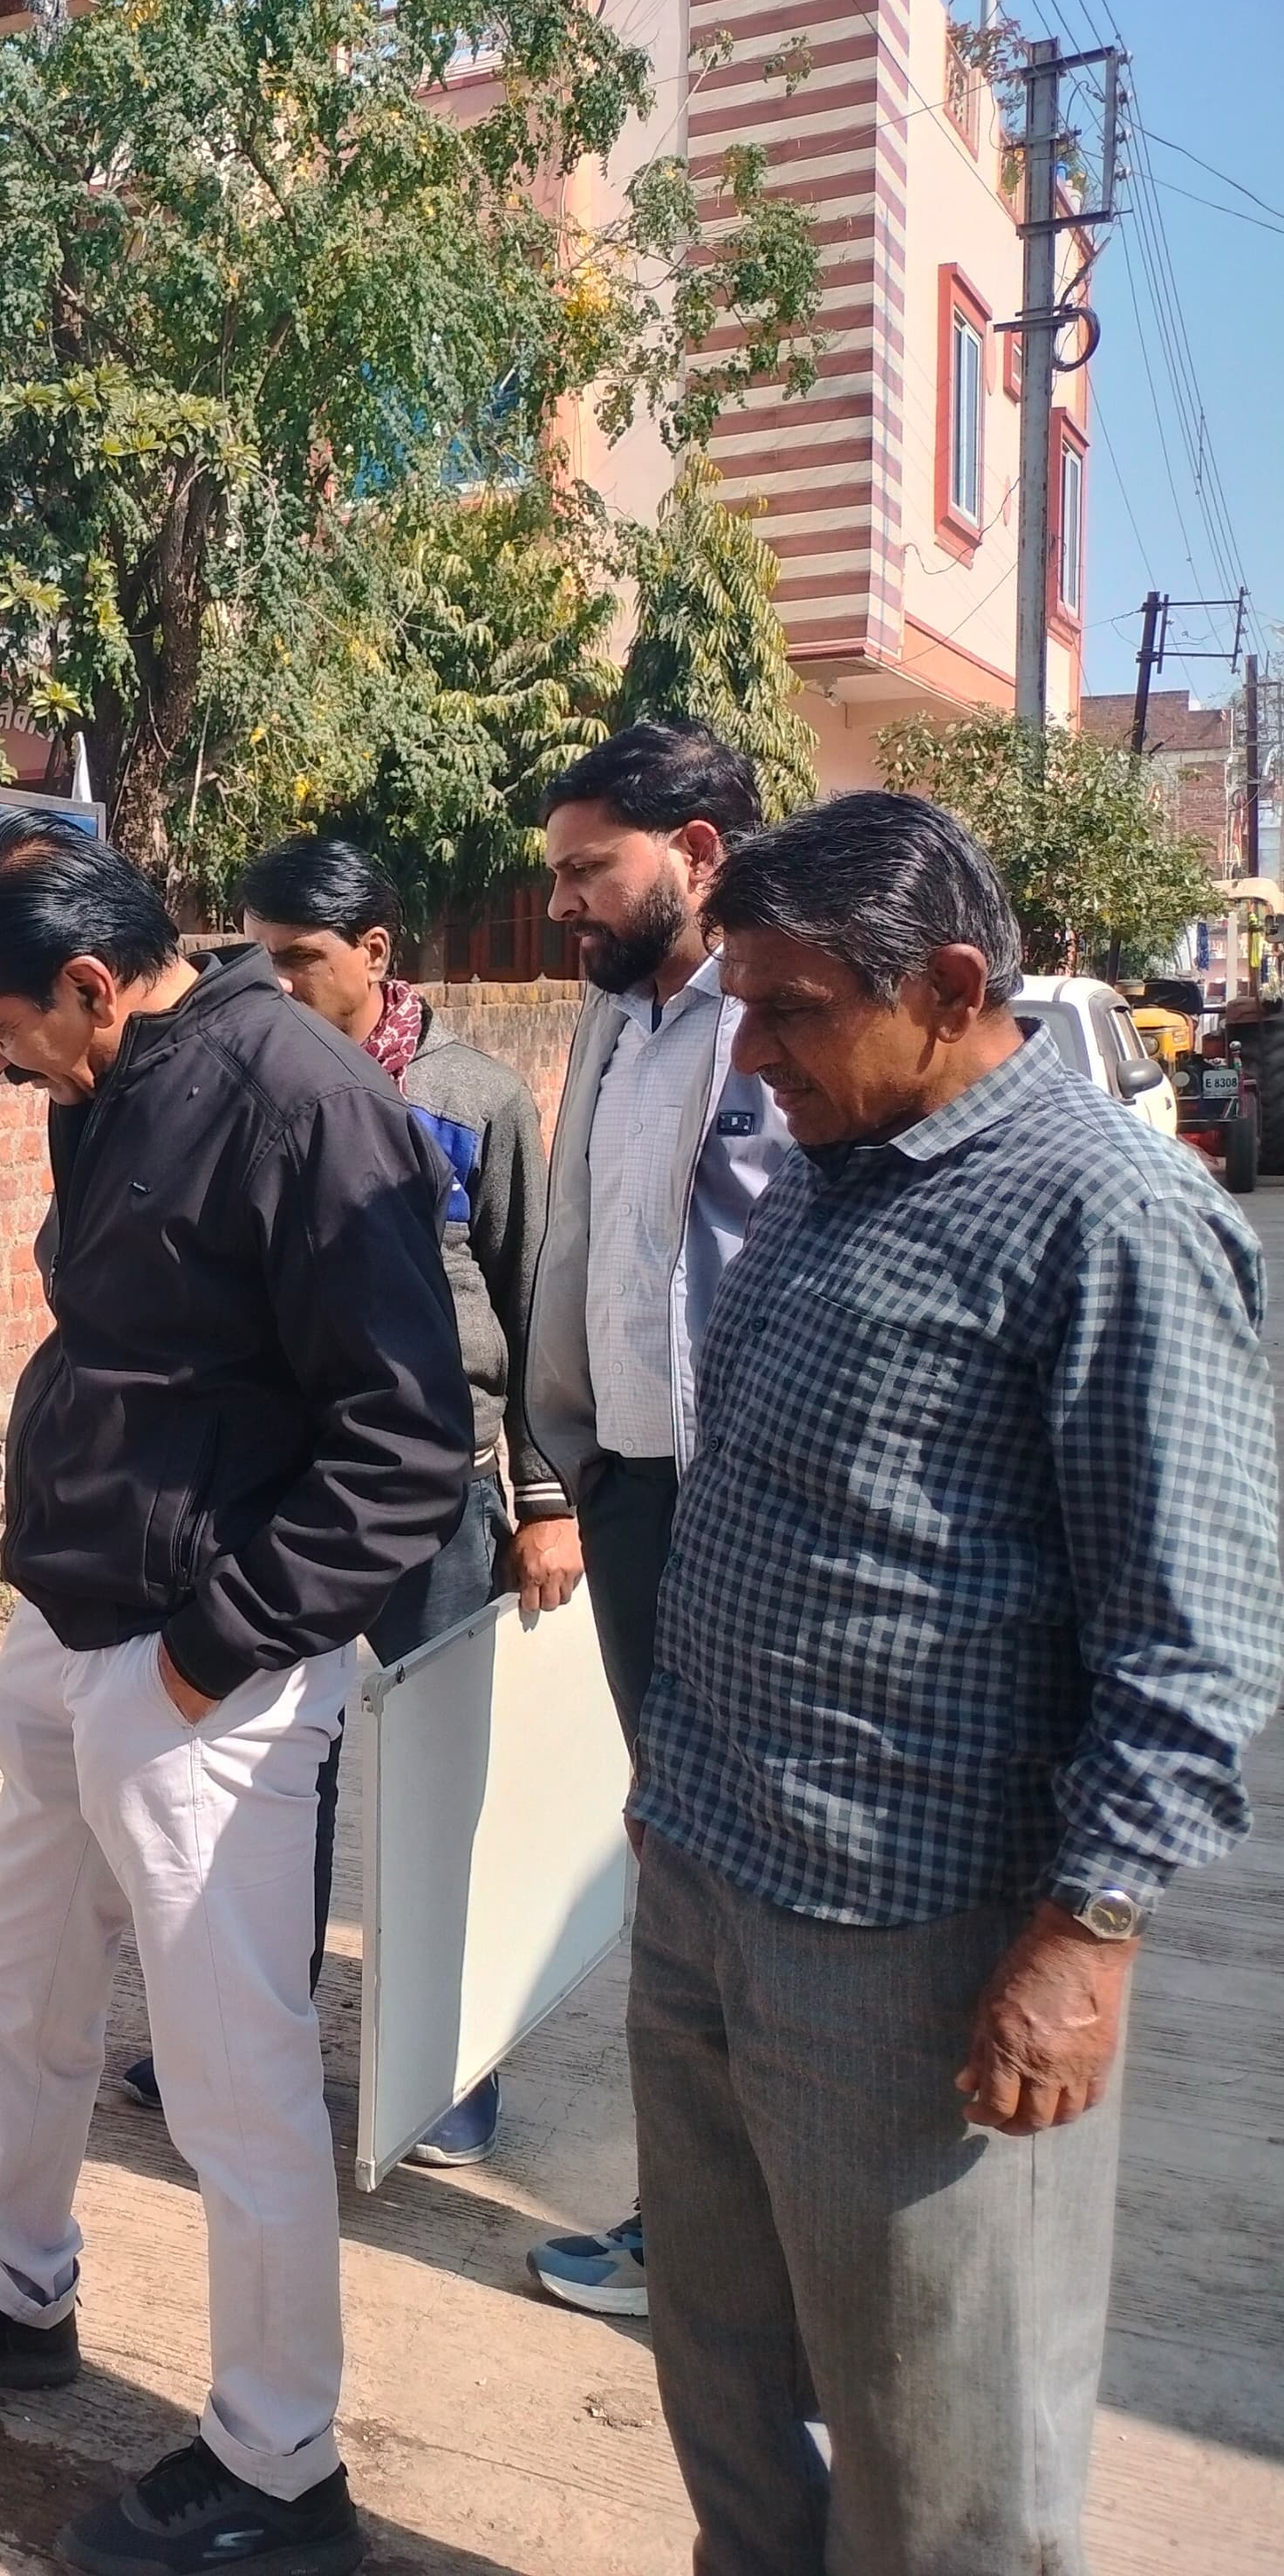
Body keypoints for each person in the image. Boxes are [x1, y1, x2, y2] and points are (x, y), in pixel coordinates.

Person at [633, 794, 1281, 2572]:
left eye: (789, 1012)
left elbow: (1196, 1627)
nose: (751, 1058)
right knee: (723, 2371)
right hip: (710, 1877)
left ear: (948, 987)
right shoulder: (828, 1169)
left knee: (943, 2437)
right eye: (740, 1010)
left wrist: (1088, 1934)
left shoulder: (1108, 1219)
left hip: (916, 1942)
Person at [0, 814, 469, 2576]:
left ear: (93, 983)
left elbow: (406, 1446)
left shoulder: (300, 1102)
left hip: (209, 1668)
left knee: (232, 2079)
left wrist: (216, 1644)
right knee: (29, 1989)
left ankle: (278, 2464)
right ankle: (15, 2289)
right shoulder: (110, 1082)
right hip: (75, 1624)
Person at [105, 834, 576, 2168]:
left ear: (376, 952)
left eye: (302, 958)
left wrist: (545, 1495)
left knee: (436, 1790)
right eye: (258, 956)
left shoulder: (475, 1098)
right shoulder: (240, 1082)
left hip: (431, 1492)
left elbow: (533, 1300)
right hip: (278, 1494)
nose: (276, 982)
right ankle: (251, 2038)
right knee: (266, 1783)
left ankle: (445, 2061)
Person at [512, 717, 796, 2318]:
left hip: (758, 1513)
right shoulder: (618, 1023)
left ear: (697, 853)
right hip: (634, 1495)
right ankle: (697, 2223)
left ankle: (751, 2247)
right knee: (681, 1870)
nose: (562, 904)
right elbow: (592, 1261)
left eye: (586, 871)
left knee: (756, 1885)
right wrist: (568, 1472)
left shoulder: (785, 1019)